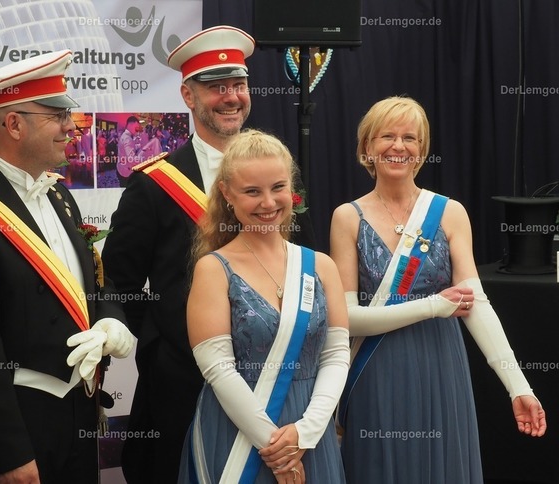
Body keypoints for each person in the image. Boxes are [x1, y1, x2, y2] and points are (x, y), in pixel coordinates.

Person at [101, 26, 315, 483]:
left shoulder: (278, 175)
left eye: (238, 84)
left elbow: (305, 265)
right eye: (217, 87)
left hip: (274, 376)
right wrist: (162, 343)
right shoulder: (153, 185)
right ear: (188, 95)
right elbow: (119, 282)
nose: (231, 97)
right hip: (184, 385)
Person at [0, 50, 134, 484]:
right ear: (14, 125)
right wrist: (10, 456)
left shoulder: (60, 196)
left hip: (79, 413)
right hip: (20, 427)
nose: (70, 127)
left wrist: (111, 321)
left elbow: (95, 283)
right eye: (57, 115)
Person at [329, 96, 547, 483]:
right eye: (387, 136)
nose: (398, 146)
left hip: (441, 365)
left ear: (422, 149)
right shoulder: (347, 217)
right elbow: (347, 319)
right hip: (376, 370)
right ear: (367, 147)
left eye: (410, 138)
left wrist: (519, 387)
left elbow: (476, 304)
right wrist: (432, 306)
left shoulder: (449, 212)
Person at [178, 129, 349, 483]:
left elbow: (335, 355)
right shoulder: (213, 269)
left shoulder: (321, 266)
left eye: (278, 187)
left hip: (309, 433)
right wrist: (277, 450)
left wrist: (306, 432)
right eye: (252, 191)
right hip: (241, 434)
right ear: (227, 194)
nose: (268, 203)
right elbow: (218, 369)